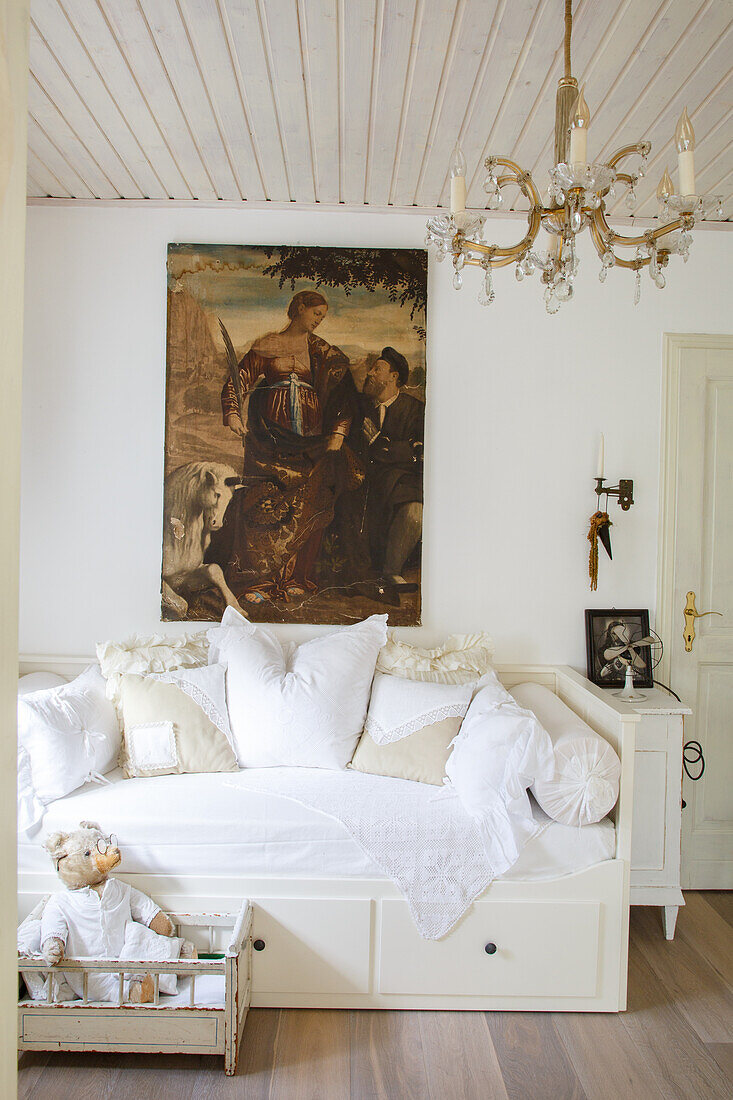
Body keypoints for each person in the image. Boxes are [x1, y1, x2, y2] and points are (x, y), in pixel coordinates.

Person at [217, 290, 363, 604]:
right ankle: (259, 581)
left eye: (323, 317)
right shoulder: (266, 345)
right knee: (264, 503)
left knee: (306, 503)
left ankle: (295, 578)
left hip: (311, 438)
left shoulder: (322, 352)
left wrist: (338, 431)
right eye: (316, 313)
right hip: (269, 436)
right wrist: (232, 412)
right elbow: (239, 378)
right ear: (299, 308)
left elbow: (342, 394)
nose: (319, 321)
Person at [361, 346, 424, 593]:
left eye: (378, 369)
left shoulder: (415, 409)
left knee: (415, 511)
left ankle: (392, 572)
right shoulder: (362, 408)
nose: (370, 373)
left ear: (394, 377)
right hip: (366, 483)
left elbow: (420, 453)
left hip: (402, 483)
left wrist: (381, 445)